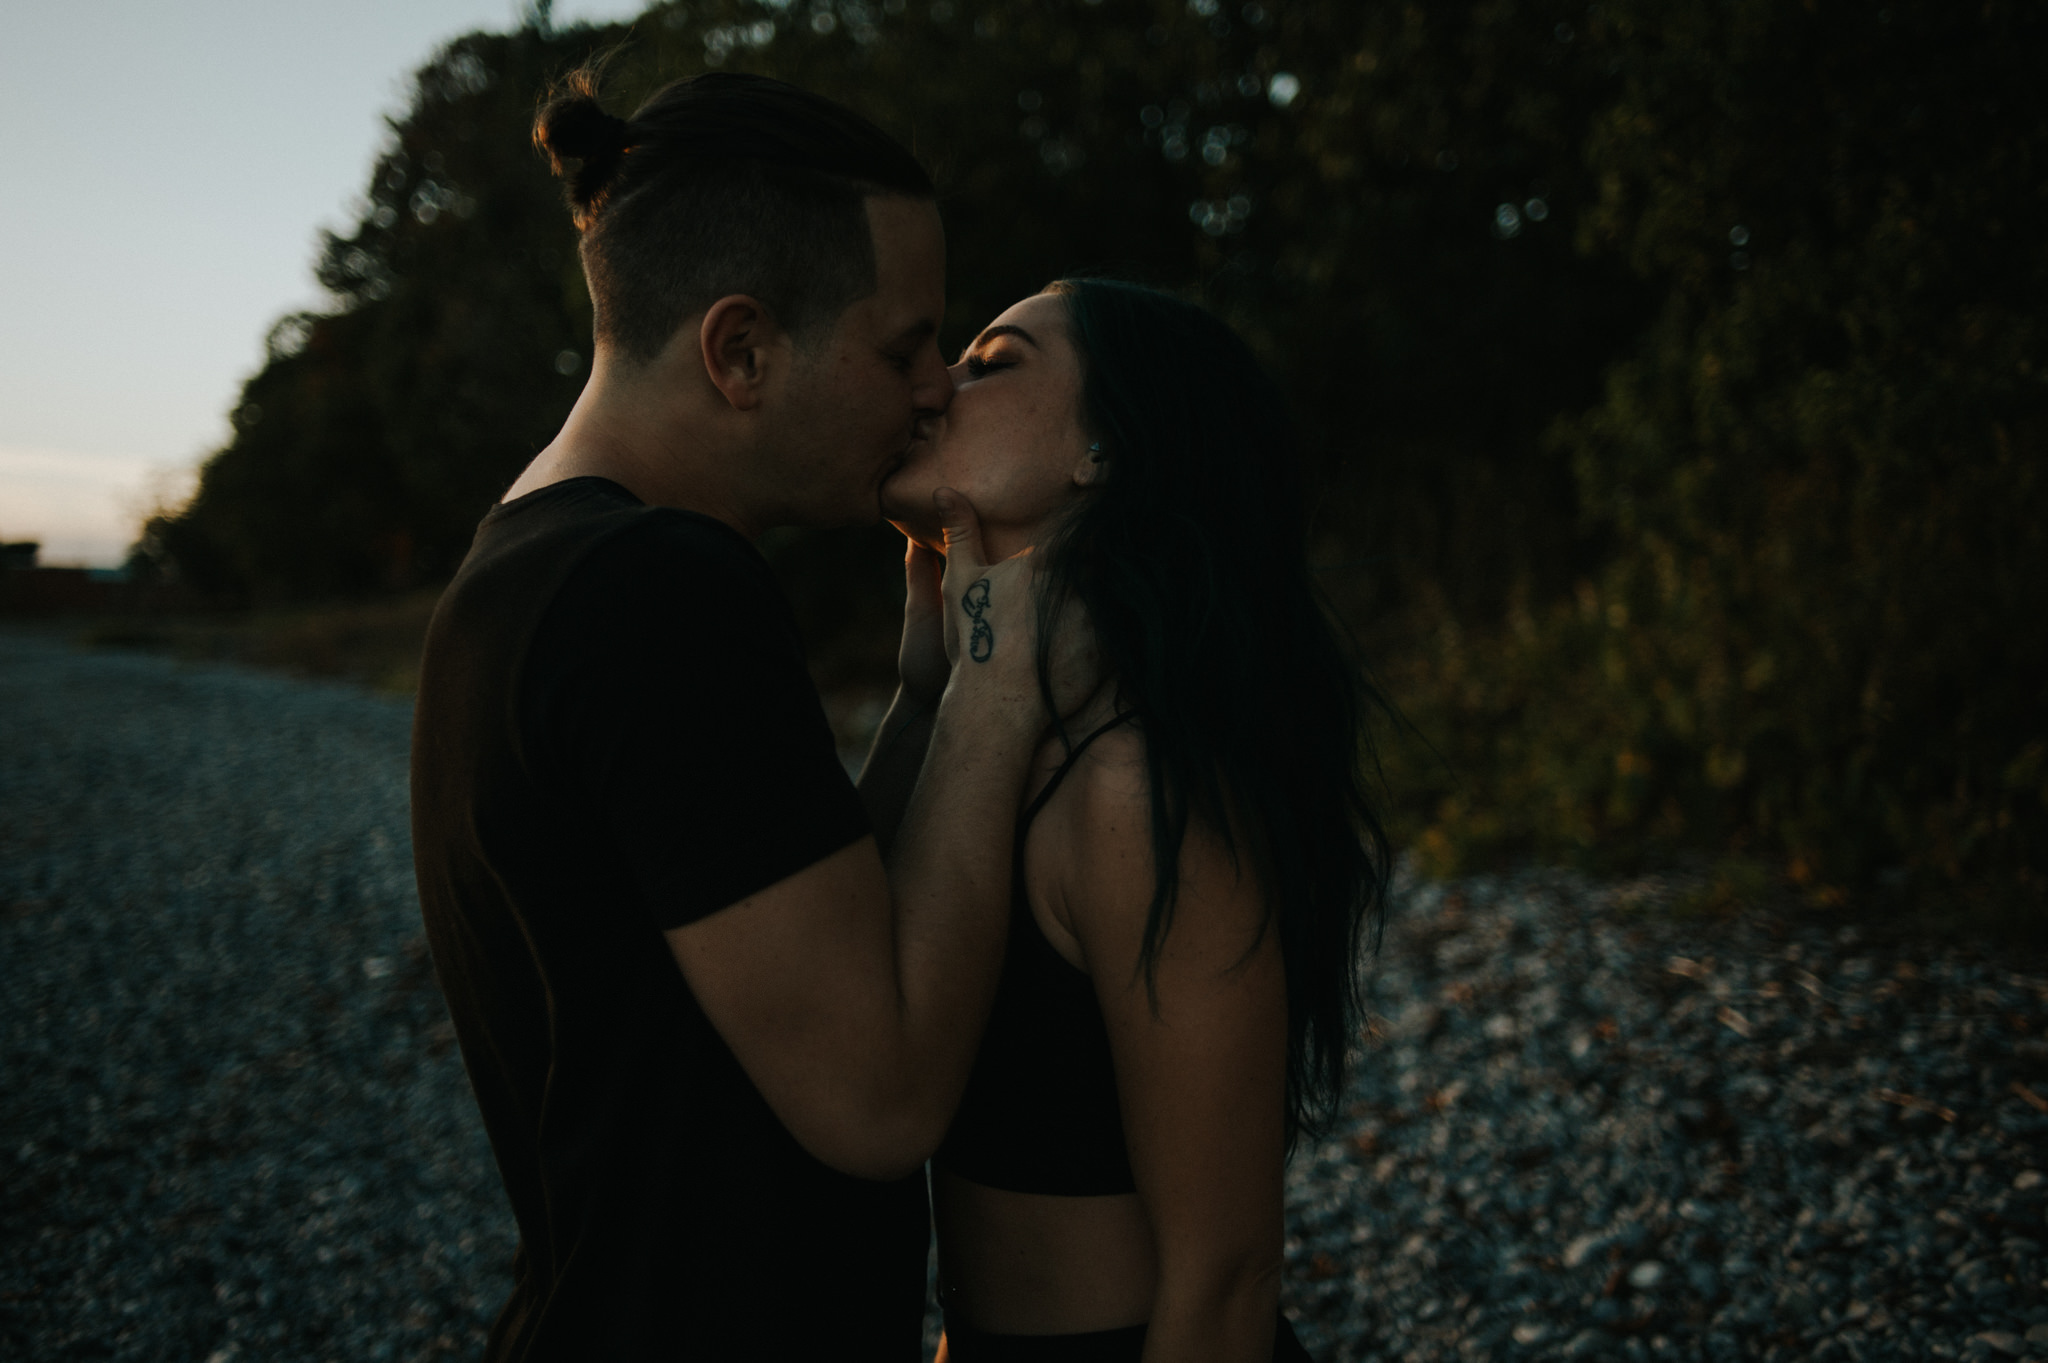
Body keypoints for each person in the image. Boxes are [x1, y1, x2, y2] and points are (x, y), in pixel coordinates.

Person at [410, 71, 1080, 1360]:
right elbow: (878, 1098)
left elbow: (814, 935)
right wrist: (1007, 678)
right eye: (903, 346)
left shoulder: (527, 567)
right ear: (740, 350)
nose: (936, 389)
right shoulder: (655, 591)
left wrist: (931, 693)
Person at [879, 279, 1390, 1362]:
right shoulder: (995, 750)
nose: (934, 389)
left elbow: (1224, 1281)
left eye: (993, 360)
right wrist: (932, 683)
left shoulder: (1132, 791)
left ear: (1103, 449)